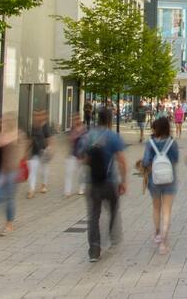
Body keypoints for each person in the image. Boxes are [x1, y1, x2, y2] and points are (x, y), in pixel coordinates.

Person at [77, 107, 128, 262]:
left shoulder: (88, 136)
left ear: (97, 119)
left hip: (92, 182)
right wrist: (124, 181)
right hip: (109, 181)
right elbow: (122, 161)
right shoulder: (113, 137)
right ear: (110, 120)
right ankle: (113, 236)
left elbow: (81, 158)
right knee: (113, 208)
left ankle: (94, 249)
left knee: (93, 216)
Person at [141, 117, 179, 254]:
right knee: (167, 210)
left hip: (154, 180)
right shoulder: (172, 143)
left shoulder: (150, 143)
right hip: (169, 179)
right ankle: (164, 242)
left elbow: (145, 161)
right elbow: (175, 160)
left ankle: (157, 233)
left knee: (156, 207)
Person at [26, 110, 53, 198]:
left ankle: (44, 184)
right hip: (34, 152)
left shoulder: (45, 127)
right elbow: (30, 139)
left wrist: (50, 149)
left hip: (43, 151)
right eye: (35, 115)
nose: (37, 117)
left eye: (39, 115)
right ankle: (31, 190)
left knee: (43, 171)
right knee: (32, 171)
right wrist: (26, 150)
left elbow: (49, 139)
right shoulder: (33, 126)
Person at [64, 113, 87, 198]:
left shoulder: (84, 129)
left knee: (81, 173)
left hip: (81, 155)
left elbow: (86, 143)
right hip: (72, 154)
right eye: (74, 119)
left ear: (80, 119)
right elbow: (70, 141)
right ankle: (67, 191)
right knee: (68, 172)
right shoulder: (72, 130)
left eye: (77, 119)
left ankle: (82, 188)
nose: (75, 121)